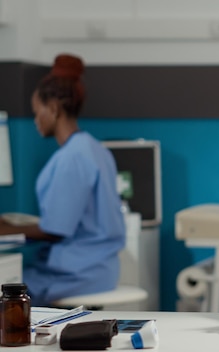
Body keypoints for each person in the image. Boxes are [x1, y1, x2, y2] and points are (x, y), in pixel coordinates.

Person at [0, 54, 126, 306]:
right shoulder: (95, 149)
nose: (36, 121)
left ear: (54, 109)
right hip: (101, 267)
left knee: (10, 288)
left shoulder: (71, 157)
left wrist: (6, 230)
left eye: (37, 113)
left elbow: (55, 229)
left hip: (76, 273)